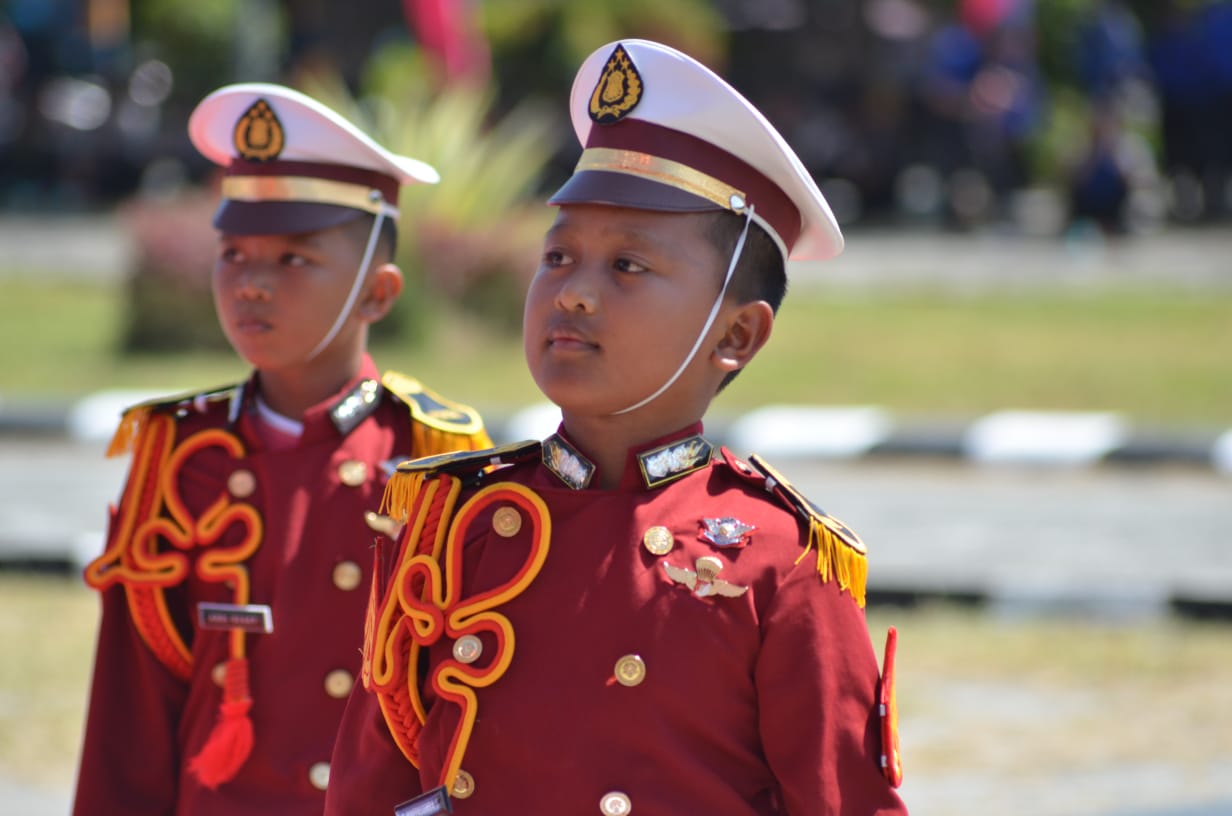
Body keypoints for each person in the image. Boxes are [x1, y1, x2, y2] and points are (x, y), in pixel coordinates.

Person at [324, 39, 907, 816]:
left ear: (736, 336)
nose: (575, 294)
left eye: (628, 266)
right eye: (558, 256)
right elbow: (373, 789)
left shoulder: (778, 564)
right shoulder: (444, 529)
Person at [73, 83, 493, 814]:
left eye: (294, 260)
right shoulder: (181, 459)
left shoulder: (437, 457)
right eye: (233, 253)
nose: (252, 285)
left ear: (379, 294)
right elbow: (129, 719)